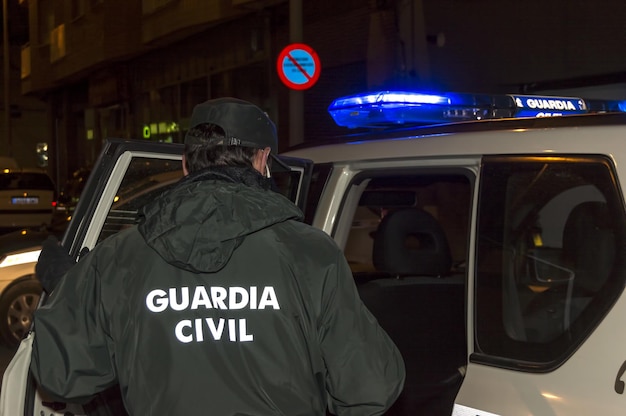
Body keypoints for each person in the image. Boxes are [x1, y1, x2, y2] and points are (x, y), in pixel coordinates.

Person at [30, 97, 405, 415]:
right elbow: (369, 387)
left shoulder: (119, 257)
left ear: (185, 165)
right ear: (263, 160)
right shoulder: (309, 252)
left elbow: (63, 374)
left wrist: (70, 288)